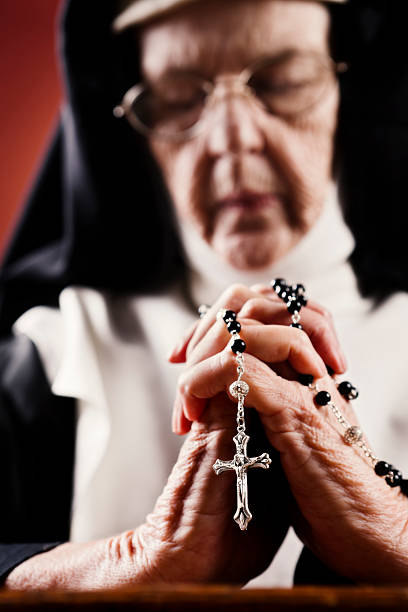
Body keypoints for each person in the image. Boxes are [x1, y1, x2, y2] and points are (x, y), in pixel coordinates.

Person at [1, 0, 408, 590]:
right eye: (180, 98)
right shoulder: (50, 359)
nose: (232, 140)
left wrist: (394, 533)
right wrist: (129, 563)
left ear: (353, 94)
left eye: (283, 83)